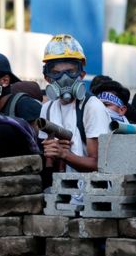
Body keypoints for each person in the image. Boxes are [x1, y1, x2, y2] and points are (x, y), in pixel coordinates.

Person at [39, 34, 110, 173]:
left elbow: (99, 164)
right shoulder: (47, 109)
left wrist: (64, 154)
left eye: (71, 72)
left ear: (82, 75)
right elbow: (49, 163)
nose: (64, 79)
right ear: (47, 78)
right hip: (63, 189)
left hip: (91, 191)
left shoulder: (92, 107)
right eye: (56, 73)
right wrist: (51, 153)